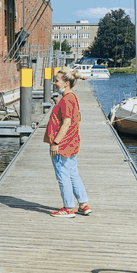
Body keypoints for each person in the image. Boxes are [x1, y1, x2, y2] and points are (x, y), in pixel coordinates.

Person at [44, 67, 91, 218]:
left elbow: (66, 123)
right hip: (72, 142)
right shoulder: (71, 98)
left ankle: (68, 208)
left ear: (65, 83)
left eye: (56, 80)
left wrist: (55, 142)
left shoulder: (67, 101)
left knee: (62, 175)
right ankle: (83, 204)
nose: (54, 83)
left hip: (63, 145)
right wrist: (59, 103)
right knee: (72, 173)